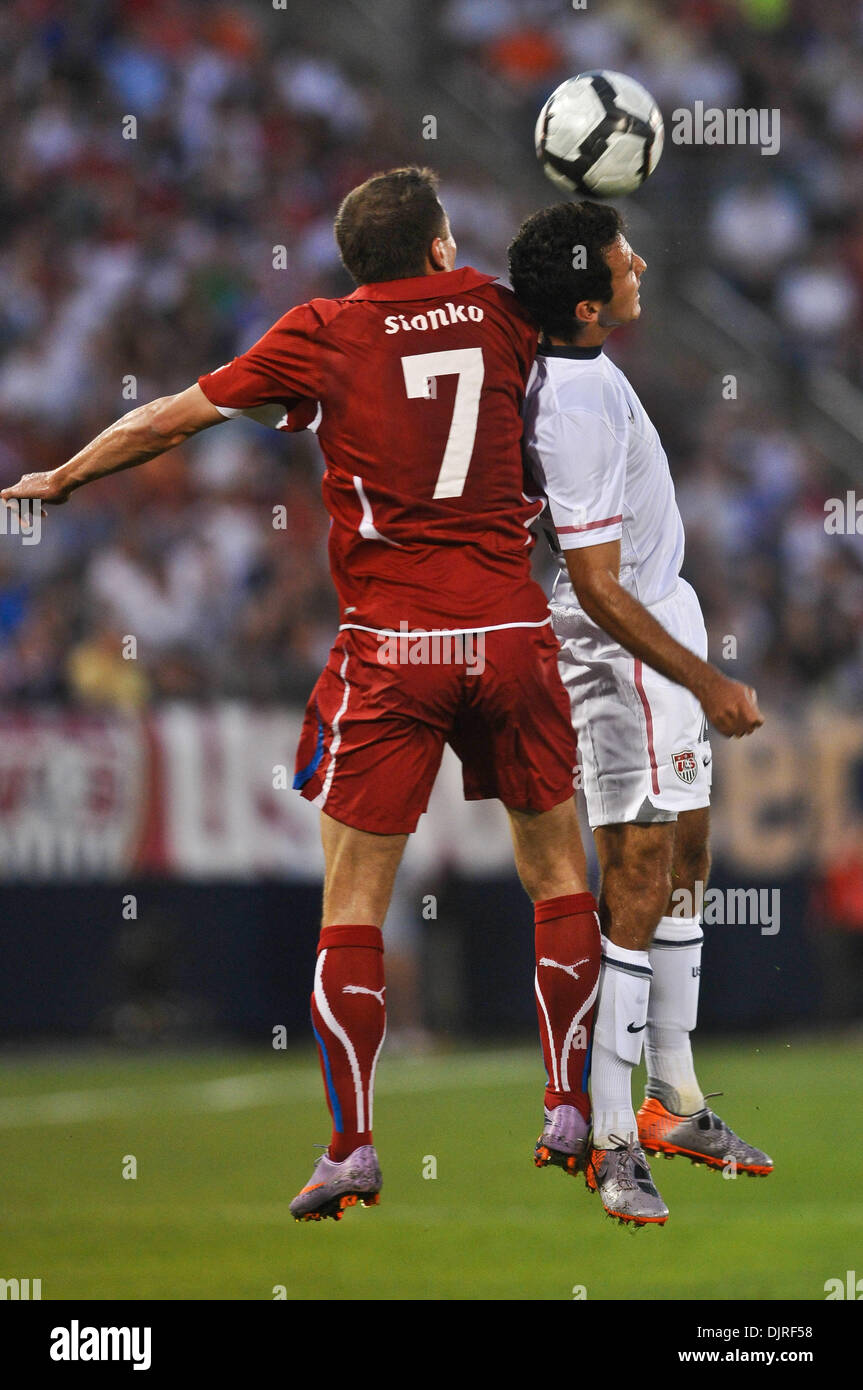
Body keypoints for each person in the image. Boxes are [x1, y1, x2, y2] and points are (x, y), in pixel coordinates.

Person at [2, 168, 601, 1223]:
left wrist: (62, 476)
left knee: (352, 902)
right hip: (510, 634)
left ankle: (352, 1144)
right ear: (433, 249)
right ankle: (564, 1105)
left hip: (395, 645)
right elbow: (586, 292)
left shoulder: (320, 329)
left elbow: (171, 419)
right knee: (556, 874)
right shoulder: (504, 313)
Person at [508, 201, 772, 1227]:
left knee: (688, 853)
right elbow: (594, 581)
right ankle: (614, 1136)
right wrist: (703, 679)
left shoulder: (579, 366)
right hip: (619, 646)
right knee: (635, 873)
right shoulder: (569, 401)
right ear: (584, 303)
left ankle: (676, 1096)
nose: (641, 264)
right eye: (622, 260)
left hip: (662, 620)